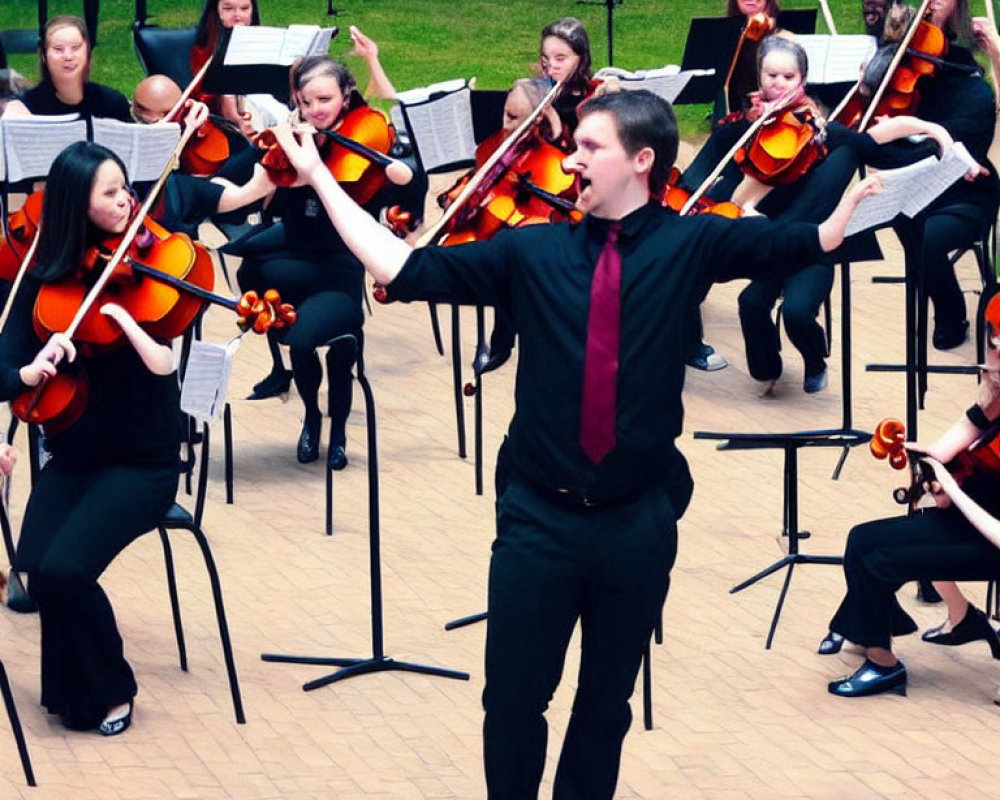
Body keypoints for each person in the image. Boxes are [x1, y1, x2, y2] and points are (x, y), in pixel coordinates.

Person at [270, 89, 878, 799]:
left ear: (642, 160)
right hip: (539, 520)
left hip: (637, 522)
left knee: (604, 708)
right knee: (513, 703)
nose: (571, 159)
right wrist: (319, 180)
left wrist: (846, 208)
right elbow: (405, 269)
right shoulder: (531, 250)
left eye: (590, 148)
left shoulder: (692, 241)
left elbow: (806, 241)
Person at [0, 141, 185, 735]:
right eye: (109, 192)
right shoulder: (43, 280)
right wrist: (30, 372)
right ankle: (68, 692)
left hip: (142, 461)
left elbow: (164, 365)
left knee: (66, 572)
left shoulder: (148, 266)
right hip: (75, 455)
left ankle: (114, 689)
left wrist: (124, 320)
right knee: (31, 570)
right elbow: (5, 369)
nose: (126, 198)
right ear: (77, 208)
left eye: (124, 186)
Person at [210, 56, 409, 469]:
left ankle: (335, 431)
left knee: (311, 342)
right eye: (306, 101)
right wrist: (261, 147)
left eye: (325, 100)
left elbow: (408, 186)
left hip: (338, 270)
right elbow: (234, 191)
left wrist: (398, 177)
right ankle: (310, 415)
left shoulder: (365, 138)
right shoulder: (292, 140)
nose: (316, 110)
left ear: (346, 96)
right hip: (297, 255)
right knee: (244, 264)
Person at [823, 293, 1000, 698]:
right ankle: (877, 626)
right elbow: (950, 449)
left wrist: (951, 488)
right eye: (991, 346)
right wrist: (929, 453)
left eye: (998, 350)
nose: (991, 361)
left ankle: (882, 663)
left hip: (989, 540)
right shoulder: (997, 394)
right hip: (965, 519)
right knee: (860, 539)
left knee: (881, 562)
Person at [1, 15, 130, 122]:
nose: (68, 56)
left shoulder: (112, 103)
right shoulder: (25, 108)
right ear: (43, 55)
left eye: (76, 48)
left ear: (87, 52)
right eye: (58, 49)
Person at [191, 0, 260, 136]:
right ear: (216, 10)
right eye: (228, 9)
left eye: (245, 8)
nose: (237, 15)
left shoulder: (261, 40)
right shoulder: (206, 46)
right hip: (221, 114)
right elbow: (204, 93)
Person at [539, 17, 595, 145]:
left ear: (581, 59)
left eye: (560, 59)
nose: (551, 65)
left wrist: (552, 117)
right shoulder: (540, 92)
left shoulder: (593, 98)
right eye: (546, 59)